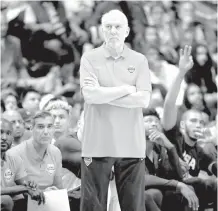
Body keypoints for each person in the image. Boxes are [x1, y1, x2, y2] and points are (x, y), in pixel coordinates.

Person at [79, 9, 151, 211]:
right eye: (108, 27)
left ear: (127, 31)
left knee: (134, 208)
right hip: (97, 143)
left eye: (117, 26)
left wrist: (104, 93)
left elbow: (143, 99)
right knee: (93, 208)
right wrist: (125, 90)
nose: (113, 31)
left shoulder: (139, 60)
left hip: (131, 145)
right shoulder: (89, 58)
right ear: (102, 31)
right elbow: (90, 96)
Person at [162, 45, 217, 211]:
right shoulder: (174, 136)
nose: (198, 125)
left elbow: (213, 165)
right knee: (194, 186)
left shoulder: (200, 150)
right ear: (184, 124)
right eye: (193, 121)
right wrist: (180, 73)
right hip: (169, 191)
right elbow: (169, 104)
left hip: (190, 192)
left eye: (201, 122)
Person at [7, 111, 63, 191]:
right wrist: (43, 193)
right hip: (23, 200)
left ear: (54, 129)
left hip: (50, 200)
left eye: (49, 126)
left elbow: (59, 187)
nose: (46, 132)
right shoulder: (14, 154)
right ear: (31, 128)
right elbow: (9, 191)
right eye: (40, 127)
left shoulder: (56, 152)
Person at [1, 118, 45, 211]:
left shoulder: (13, 157)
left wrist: (32, 187)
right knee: (5, 200)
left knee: (24, 198)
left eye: (8, 133)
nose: (4, 137)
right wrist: (24, 188)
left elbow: (25, 184)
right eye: (0, 132)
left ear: (12, 137)